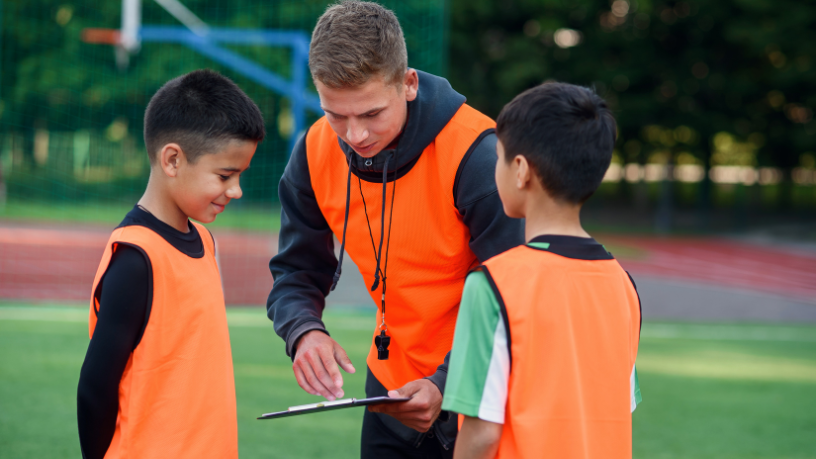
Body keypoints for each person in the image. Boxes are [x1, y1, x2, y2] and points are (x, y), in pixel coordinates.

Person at [266, 1, 524, 457]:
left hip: (481, 395)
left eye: (371, 114)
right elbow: (295, 270)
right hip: (390, 392)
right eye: (335, 114)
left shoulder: (478, 155)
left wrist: (446, 382)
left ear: (408, 84)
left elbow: (518, 295)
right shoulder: (313, 152)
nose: (354, 135)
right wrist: (303, 330)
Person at [441, 82, 643, 459]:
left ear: (520, 170)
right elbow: (618, 407)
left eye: (498, 157)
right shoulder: (624, 285)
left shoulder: (493, 284)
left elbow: (482, 432)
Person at [76, 69, 265, 459]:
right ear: (173, 160)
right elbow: (95, 387)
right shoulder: (136, 257)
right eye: (225, 175)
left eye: (240, 176)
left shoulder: (206, 242)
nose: (236, 190)